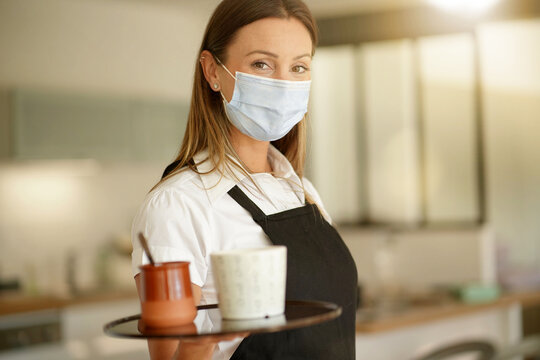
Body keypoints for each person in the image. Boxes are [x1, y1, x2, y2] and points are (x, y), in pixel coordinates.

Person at [131, 0, 358, 359]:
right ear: (212, 72)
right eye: (261, 64)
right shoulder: (180, 203)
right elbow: (170, 356)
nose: (284, 84)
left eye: (299, 67)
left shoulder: (300, 190)